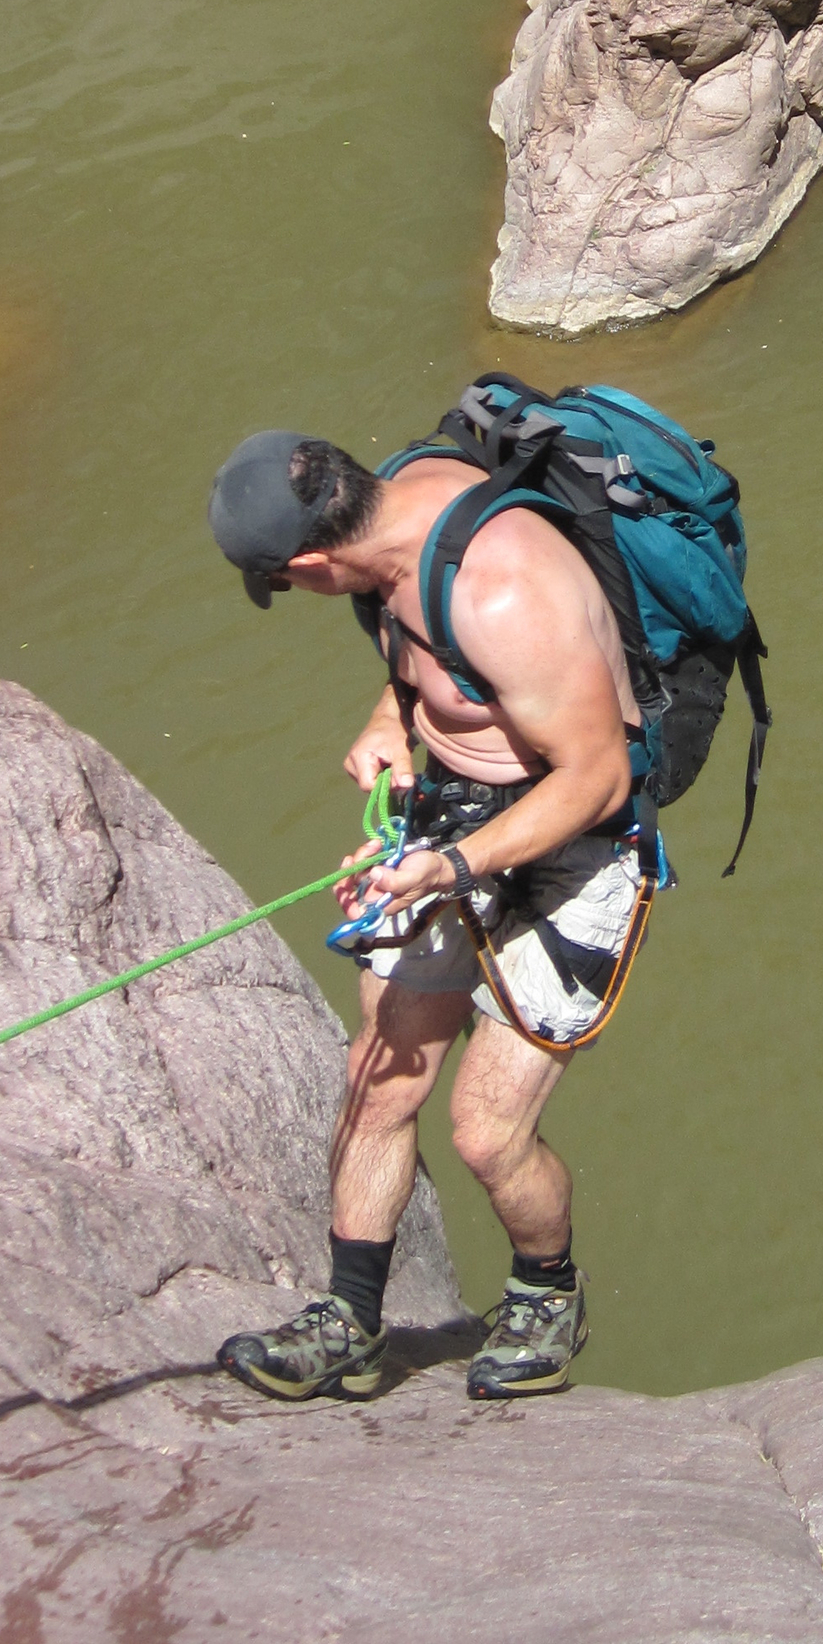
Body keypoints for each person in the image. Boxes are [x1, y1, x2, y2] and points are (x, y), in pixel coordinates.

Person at [204, 425, 657, 1403]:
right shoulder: (387, 514)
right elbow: (418, 662)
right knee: (376, 1078)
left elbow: (597, 775)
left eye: (286, 581)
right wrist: (386, 730)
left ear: (319, 557)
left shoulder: (502, 590)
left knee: (487, 1134)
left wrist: (448, 866)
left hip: (569, 845)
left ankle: (548, 1295)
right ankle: (350, 1323)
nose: (292, 597)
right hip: (450, 809)